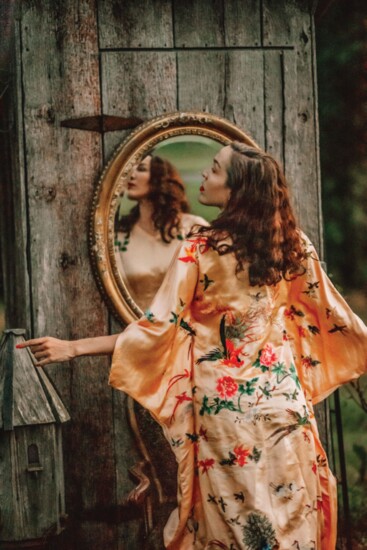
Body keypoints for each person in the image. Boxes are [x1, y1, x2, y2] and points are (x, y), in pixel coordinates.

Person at [18, 142, 367, 550]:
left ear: (235, 189)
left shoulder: (200, 248)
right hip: (283, 407)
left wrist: (73, 348)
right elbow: (338, 319)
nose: (204, 175)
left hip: (224, 413)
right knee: (290, 516)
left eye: (215, 170)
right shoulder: (291, 245)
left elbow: (157, 328)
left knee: (234, 524)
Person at [114, 152, 207, 311]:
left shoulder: (192, 227)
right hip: (133, 326)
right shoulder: (120, 235)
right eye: (130, 170)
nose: (132, 175)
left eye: (141, 169)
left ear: (160, 178)